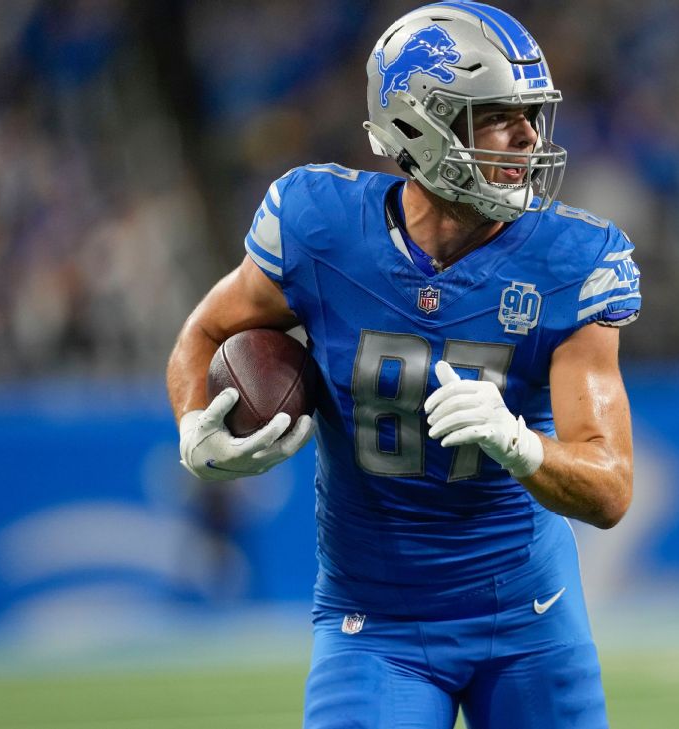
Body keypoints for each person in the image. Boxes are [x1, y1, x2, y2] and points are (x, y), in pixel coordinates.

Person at [167, 3, 640, 728]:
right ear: (419, 126)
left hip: (528, 612)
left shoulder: (571, 259)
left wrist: (520, 444)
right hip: (375, 621)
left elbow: (610, 488)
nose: (528, 137)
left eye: (532, 115)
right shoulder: (320, 227)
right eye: (497, 116)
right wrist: (193, 428)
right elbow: (205, 331)